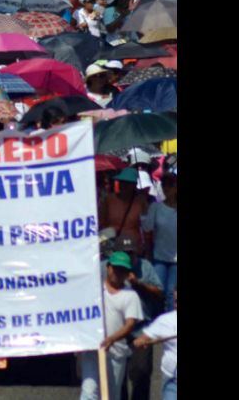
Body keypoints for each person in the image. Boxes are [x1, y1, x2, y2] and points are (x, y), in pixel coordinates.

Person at [104, 236, 164, 400]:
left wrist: (138, 283)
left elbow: (159, 293)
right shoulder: (108, 267)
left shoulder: (145, 266)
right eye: (124, 253)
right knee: (116, 374)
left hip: (140, 328)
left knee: (141, 371)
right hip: (115, 328)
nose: (129, 256)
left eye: (131, 253)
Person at [79, 252, 143, 400]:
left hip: (116, 353)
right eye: (115, 268)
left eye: (123, 270)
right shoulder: (94, 291)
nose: (118, 273)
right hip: (92, 350)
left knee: (110, 395)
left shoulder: (130, 295)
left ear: (128, 273)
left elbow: (130, 324)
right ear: (108, 267)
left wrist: (111, 339)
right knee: (89, 393)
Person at [133, 287, 177, 400]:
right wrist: (141, 341)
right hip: (172, 379)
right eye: (176, 301)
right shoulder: (165, 320)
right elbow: (143, 338)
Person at [142, 173, 177, 312]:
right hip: (158, 257)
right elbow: (147, 228)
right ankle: (156, 321)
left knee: (170, 292)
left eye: (170, 185)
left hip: (176, 261)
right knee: (157, 290)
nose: (166, 189)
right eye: (164, 185)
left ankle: (170, 326)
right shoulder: (155, 207)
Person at [99, 168, 149, 256]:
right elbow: (101, 223)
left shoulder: (141, 202)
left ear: (135, 185)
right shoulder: (109, 200)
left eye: (128, 183)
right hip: (111, 246)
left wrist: (145, 247)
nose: (124, 185)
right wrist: (102, 244)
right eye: (122, 182)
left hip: (133, 248)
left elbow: (146, 228)